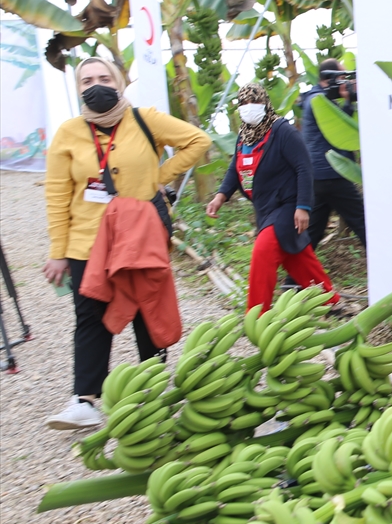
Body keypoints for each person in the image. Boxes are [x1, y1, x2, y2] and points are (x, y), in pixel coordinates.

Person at [42, 56, 211, 429]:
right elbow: (56, 195)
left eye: (104, 77)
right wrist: (58, 252)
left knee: (145, 310)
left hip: (139, 237)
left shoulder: (144, 119)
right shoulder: (68, 132)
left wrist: (158, 177)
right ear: (79, 88)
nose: (96, 85)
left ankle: (152, 393)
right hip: (86, 241)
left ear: (119, 82)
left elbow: (198, 140)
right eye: (87, 80)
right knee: (89, 317)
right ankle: (85, 400)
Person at [206, 84, 340, 312]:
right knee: (297, 258)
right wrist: (220, 196)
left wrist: (303, 206)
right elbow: (233, 169)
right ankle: (330, 301)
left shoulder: (281, 131)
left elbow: (304, 168)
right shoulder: (244, 135)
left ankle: (257, 315)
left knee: (263, 253)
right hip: (265, 208)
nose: (249, 108)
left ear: (265, 104)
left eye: (254, 103)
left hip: (287, 206)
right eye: (244, 104)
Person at [297, 59, 367, 250]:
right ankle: (387, 268)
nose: (346, 82)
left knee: (314, 231)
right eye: (343, 77)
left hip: (319, 176)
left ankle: (292, 278)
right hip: (331, 174)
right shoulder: (318, 102)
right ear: (330, 78)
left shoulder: (318, 99)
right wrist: (347, 101)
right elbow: (340, 131)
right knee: (362, 222)